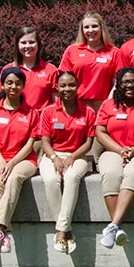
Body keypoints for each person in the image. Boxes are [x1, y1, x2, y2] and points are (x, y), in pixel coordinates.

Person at [95, 67, 134, 249]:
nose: (130, 85)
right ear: (119, 84)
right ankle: (117, 227)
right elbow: (100, 131)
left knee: (132, 173)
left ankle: (113, 225)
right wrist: (118, 149)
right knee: (110, 173)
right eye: (125, 82)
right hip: (114, 150)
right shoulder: (109, 105)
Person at [0, 67, 40, 253]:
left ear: (23, 86)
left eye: (18, 83)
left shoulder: (32, 113)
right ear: (3, 85)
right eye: (9, 82)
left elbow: (30, 144)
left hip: (24, 160)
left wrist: (12, 163)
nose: (13, 86)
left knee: (14, 178)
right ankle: (4, 234)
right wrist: (1, 163)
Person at [38, 71, 95, 254]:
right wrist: (55, 158)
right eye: (63, 85)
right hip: (52, 155)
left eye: (71, 85)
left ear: (77, 87)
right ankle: (65, 229)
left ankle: (60, 230)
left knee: (70, 178)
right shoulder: (48, 111)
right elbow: (45, 142)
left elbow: (88, 143)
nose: (67, 89)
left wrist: (71, 157)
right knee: (52, 180)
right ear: (57, 88)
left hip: (78, 156)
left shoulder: (88, 111)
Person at [59, 11, 123, 110]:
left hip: (104, 104)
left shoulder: (114, 52)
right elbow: (63, 80)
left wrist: (109, 102)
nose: (90, 30)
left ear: (101, 28)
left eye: (94, 26)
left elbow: (117, 82)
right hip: (77, 104)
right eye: (86, 27)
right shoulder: (72, 50)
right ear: (82, 30)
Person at [0, 27, 57, 110]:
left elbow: (57, 105)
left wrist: (57, 123)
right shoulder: (8, 69)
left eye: (31, 42)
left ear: (38, 44)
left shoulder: (50, 70)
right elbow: (0, 100)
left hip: (41, 120)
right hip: (16, 119)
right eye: (23, 43)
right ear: (17, 45)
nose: (27, 46)